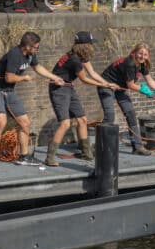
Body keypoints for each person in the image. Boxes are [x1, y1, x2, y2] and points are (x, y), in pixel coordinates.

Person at [0, 31, 65, 172]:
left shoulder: (30, 55)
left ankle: (24, 156)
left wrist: (54, 77)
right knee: (1, 123)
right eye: (36, 47)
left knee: (25, 123)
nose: (37, 49)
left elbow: (38, 67)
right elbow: (9, 78)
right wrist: (23, 78)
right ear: (28, 46)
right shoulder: (15, 54)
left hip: (9, 92)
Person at [44, 31, 118, 167]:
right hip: (59, 90)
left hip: (68, 87)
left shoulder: (80, 56)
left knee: (82, 119)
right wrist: (103, 85)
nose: (92, 46)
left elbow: (93, 73)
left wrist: (107, 84)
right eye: (90, 44)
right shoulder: (74, 60)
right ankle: (50, 157)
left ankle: (85, 152)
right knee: (65, 124)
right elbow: (84, 79)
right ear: (85, 46)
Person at [98, 43, 155, 156]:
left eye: (145, 54)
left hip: (120, 88)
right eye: (140, 53)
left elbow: (150, 80)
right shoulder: (129, 63)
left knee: (131, 115)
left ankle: (138, 147)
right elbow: (130, 85)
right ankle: (98, 147)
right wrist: (144, 91)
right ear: (134, 53)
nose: (142, 56)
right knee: (110, 115)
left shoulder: (143, 65)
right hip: (106, 85)